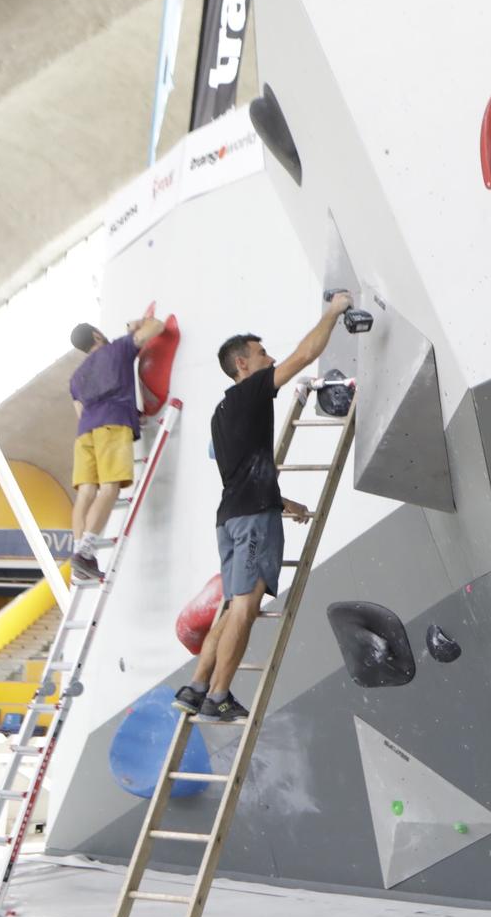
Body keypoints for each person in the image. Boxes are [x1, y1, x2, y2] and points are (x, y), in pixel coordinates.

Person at [173, 293, 354, 722]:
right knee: (244, 609)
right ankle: (219, 696)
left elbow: (242, 474)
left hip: (232, 518)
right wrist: (333, 311)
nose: (268, 358)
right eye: (260, 354)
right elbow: (306, 354)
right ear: (242, 365)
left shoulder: (221, 413)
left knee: (236, 604)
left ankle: (196, 687)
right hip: (252, 523)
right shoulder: (252, 390)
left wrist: (283, 502)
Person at [66, 314, 164, 583]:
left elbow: (80, 412)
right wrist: (136, 326)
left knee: (86, 492)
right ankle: (86, 551)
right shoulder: (118, 348)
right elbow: (158, 327)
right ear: (97, 335)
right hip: (112, 424)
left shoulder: (76, 378)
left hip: (85, 432)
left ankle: (78, 551)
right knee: (110, 488)